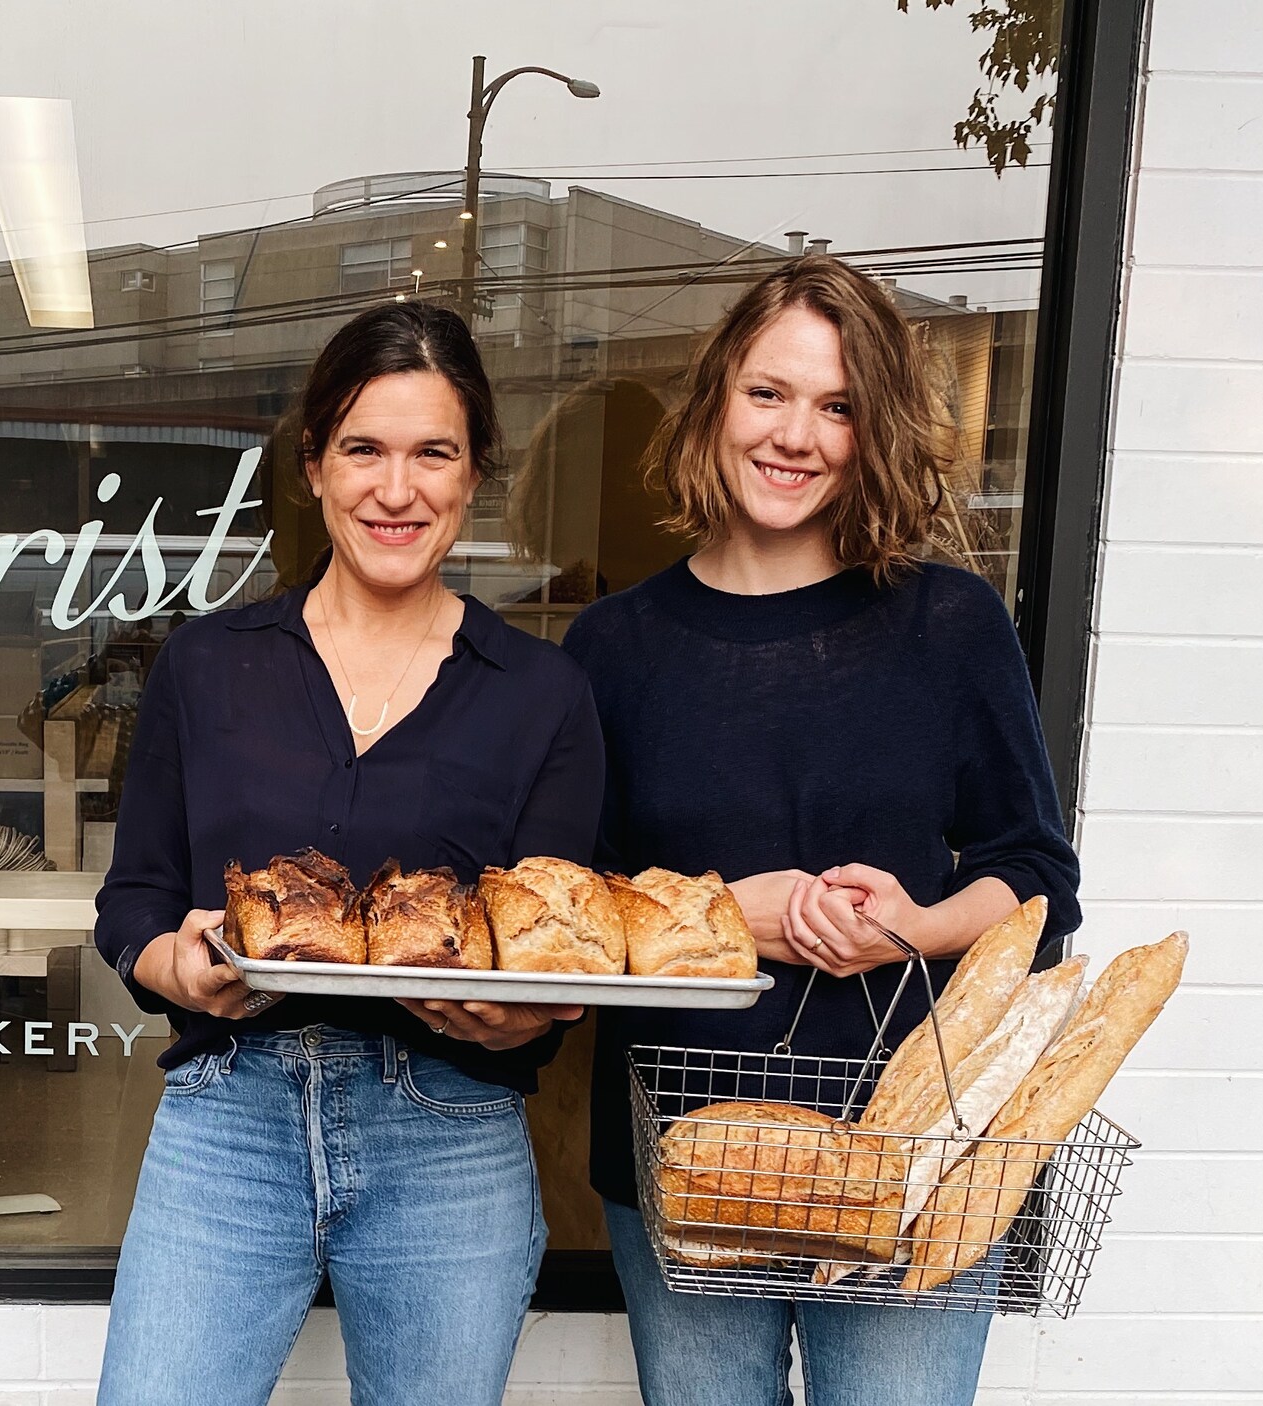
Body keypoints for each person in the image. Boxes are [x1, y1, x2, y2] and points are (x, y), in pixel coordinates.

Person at [562, 255, 1080, 1406]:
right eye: (768, 392)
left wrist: (919, 922)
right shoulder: (612, 648)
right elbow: (566, 912)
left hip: (909, 1153)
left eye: (836, 405)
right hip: (684, 1158)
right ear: (714, 402)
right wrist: (717, 912)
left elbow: (1035, 874)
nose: (795, 434)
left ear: (872, 429)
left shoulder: (947, 623)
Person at [93, 301, 604, 1406]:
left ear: (473, 478)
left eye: (434, 453)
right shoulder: (206, 664)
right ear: (314, 465)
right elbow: (131, 898)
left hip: (449, 1127)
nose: (395, 487)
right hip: (229, 1115)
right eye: (363, 449)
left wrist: (530, 1012)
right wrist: (172, 964)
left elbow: (554, 942)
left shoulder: (541, 695)